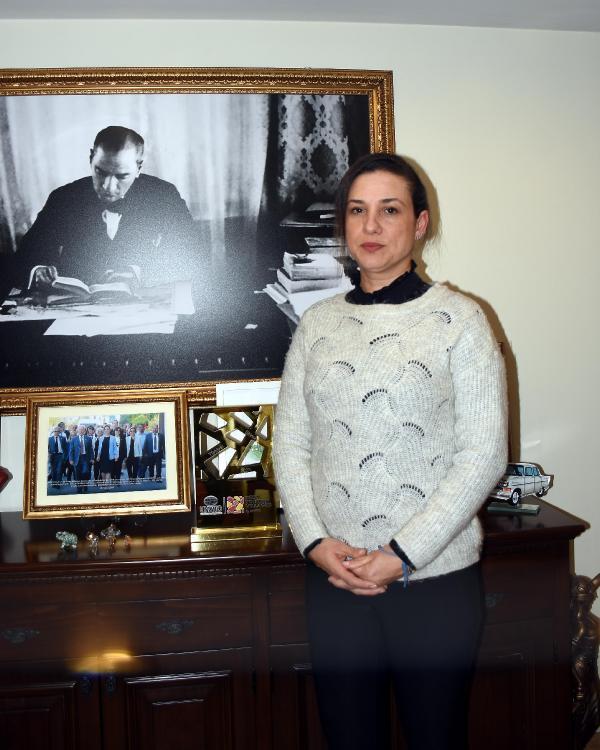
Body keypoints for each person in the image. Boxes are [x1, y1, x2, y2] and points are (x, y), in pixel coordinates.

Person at [273, 152, 508, 750]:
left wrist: (401, 555)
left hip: (433, 582)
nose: (371, 226)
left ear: (420, 223)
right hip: (335, 580)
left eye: (389, 210)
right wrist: (316, 544)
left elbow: (483, 454)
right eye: (357, 211)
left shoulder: (461, 321)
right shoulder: (316, 324)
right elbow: (291, 443)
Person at [12, 125, 197, 294]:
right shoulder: (63, 198)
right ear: (91, 159)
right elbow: (25, 255)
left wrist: (139, 273)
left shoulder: (164, 195)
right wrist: (37, 271)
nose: (108, 186)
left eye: (122, 176)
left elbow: (191, 252)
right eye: (100, 172)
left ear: (139, 168)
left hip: (142, 305)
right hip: (73, 306)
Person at [68, 424, 94, 493]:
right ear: (77, 430)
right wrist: (71, 459)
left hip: (85, 458)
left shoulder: (88, 438)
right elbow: (71, 450)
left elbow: (91, 449)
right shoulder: (74, 439)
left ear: (85, 431)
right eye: (80, 429)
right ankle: (79, 488)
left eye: (82, 429)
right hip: (77, 459)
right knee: (77, 474)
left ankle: (85, 485)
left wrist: (92, 458)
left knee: (85, 472)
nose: (81, 431)